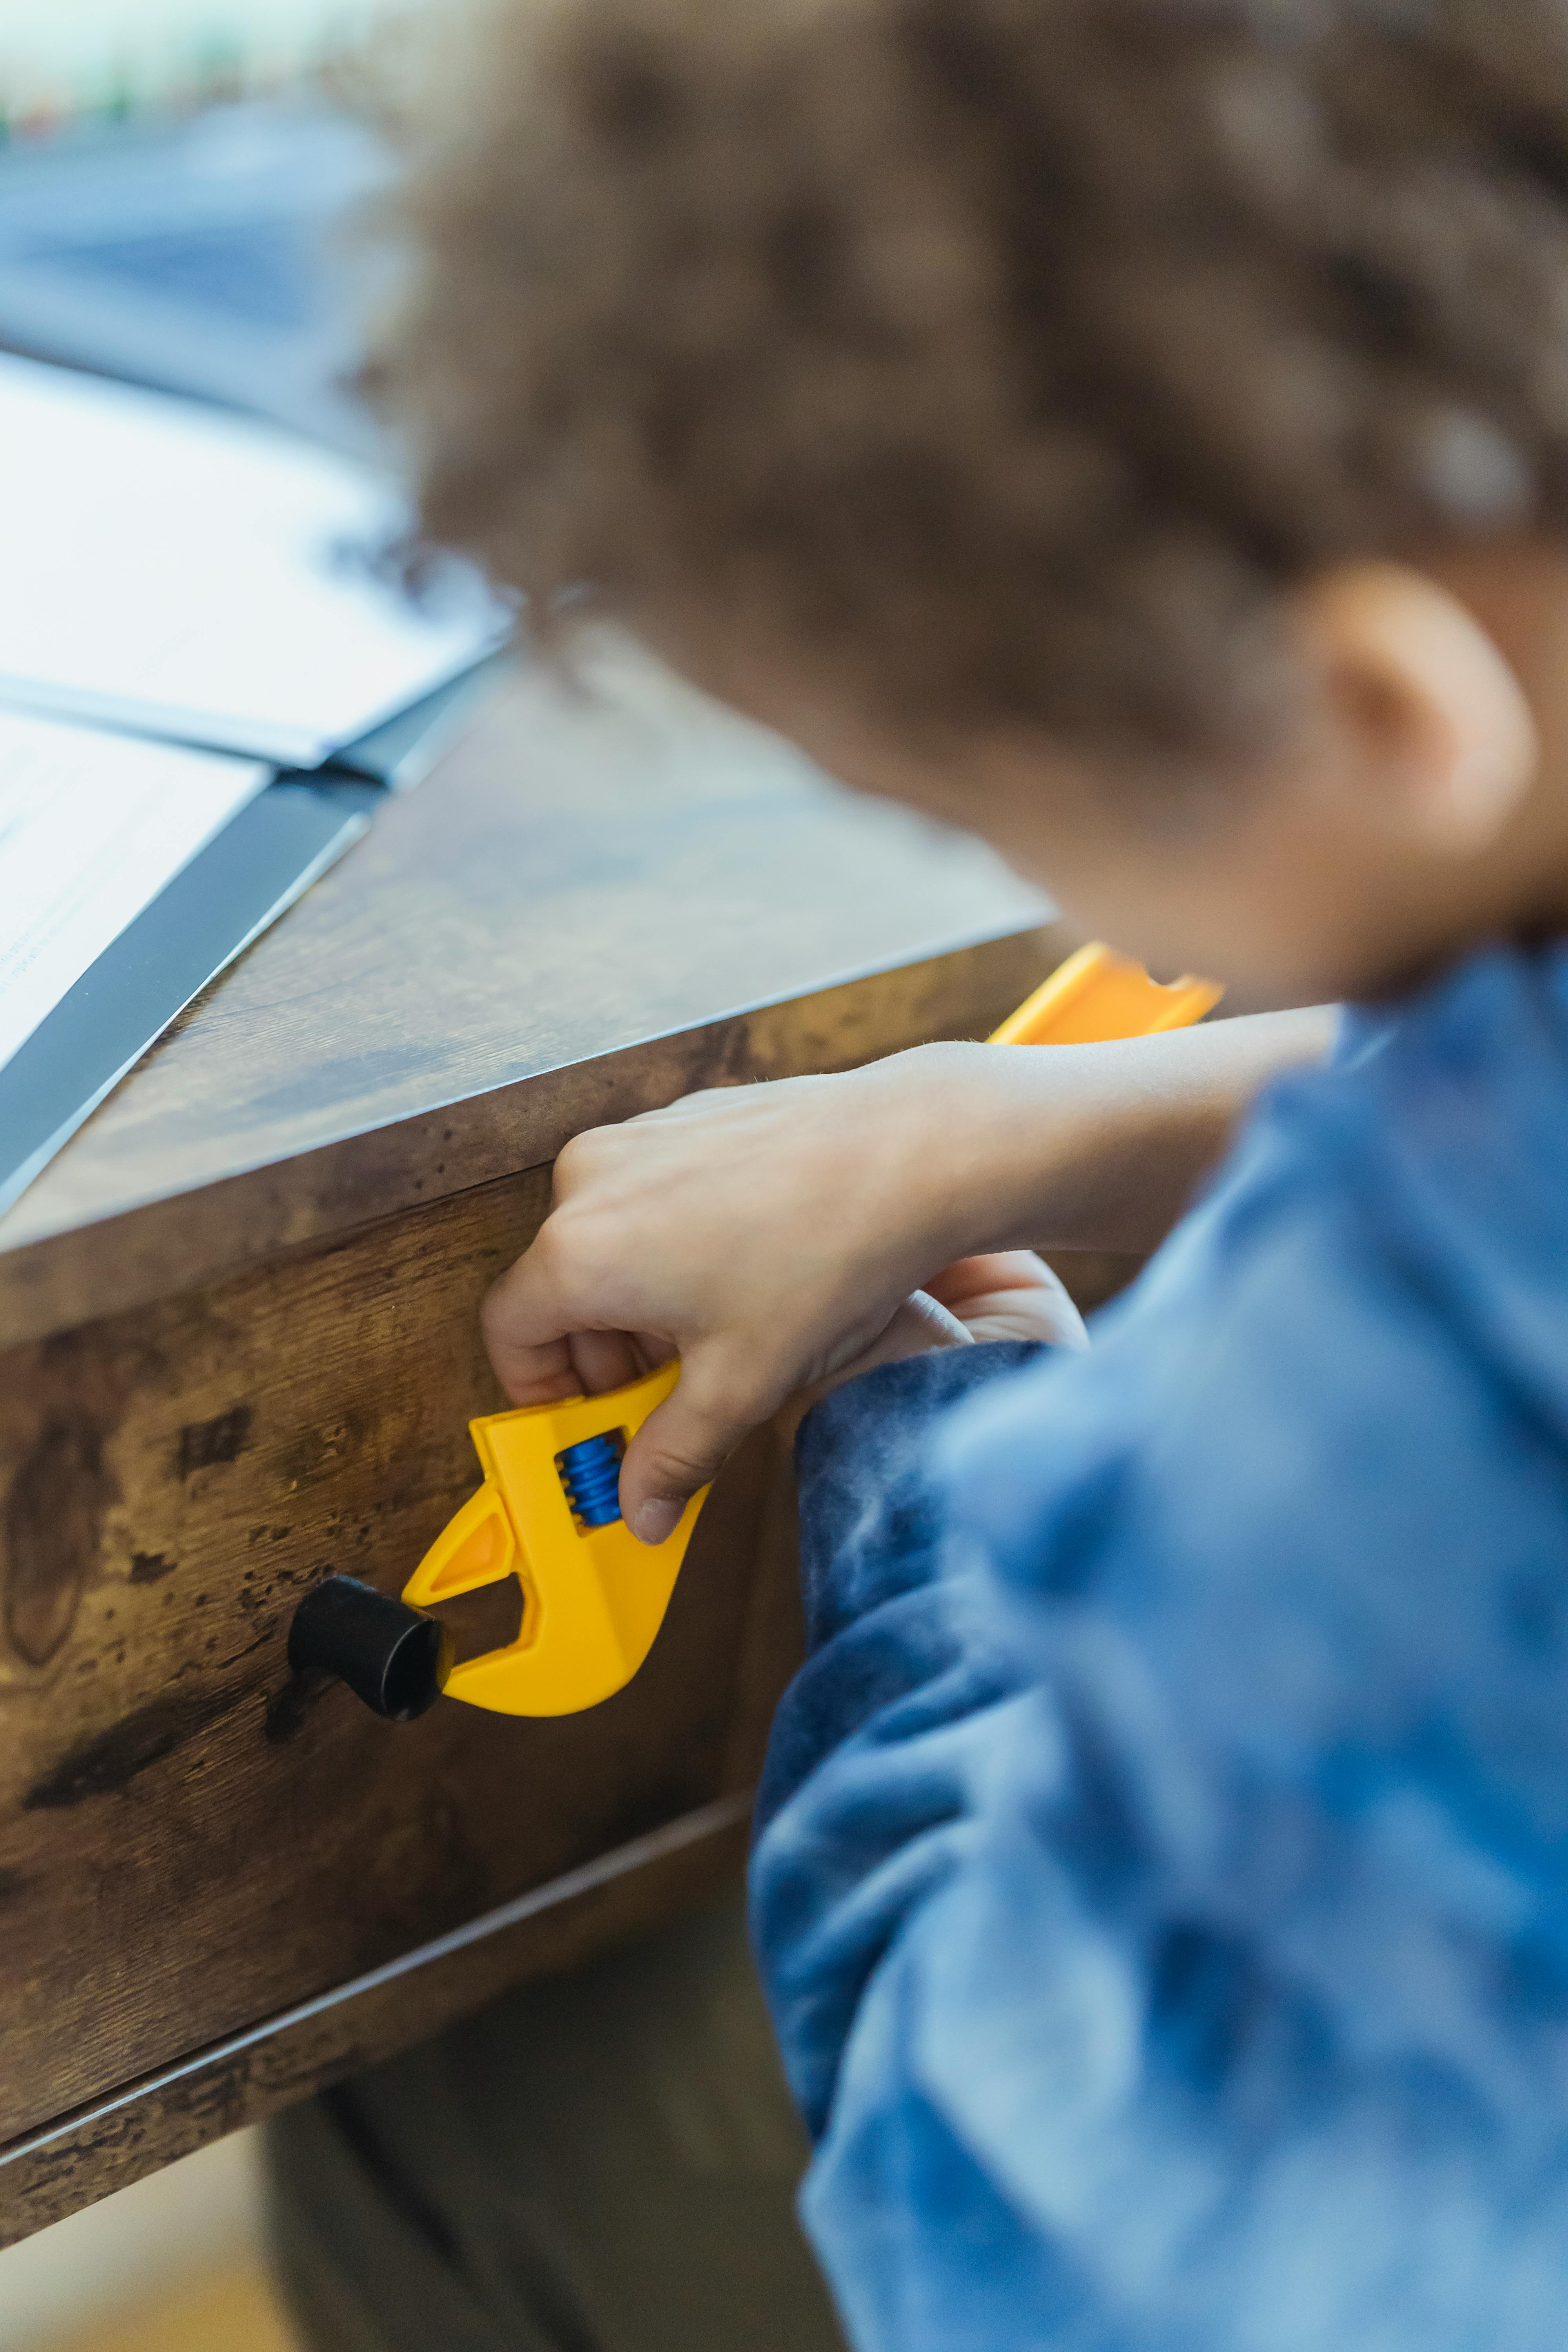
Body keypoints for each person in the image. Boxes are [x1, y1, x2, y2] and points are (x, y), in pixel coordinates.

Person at [269, 2, 1568, 2346]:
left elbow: (1021, 2234)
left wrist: (938, 1499)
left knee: (454, 2108)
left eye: (1002, 817)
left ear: (1376, 717)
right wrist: (1023, 1118)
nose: (1085, 917)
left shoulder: (1388, 1446)